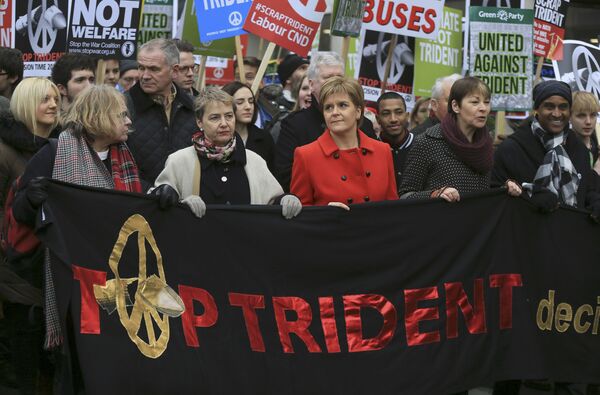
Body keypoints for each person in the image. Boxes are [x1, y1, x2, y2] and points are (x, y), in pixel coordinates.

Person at [7, 85, 141, 395]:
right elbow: (19, 211)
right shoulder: (55, 153)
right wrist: (33, 198)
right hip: (66, 276)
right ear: (99, 117)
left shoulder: (127, 158)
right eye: (121, 115)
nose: (128, 122)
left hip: (113, 281)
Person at [153, 87, 301, 219]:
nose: (224, 123)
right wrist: (180, 203)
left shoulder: (254, 161)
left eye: (229, 116)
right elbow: (158, 202)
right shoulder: (179, 160)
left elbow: (271, 201)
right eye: (215, 117)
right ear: (199, 122)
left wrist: (285, 199)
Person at [0, 78, 60, 393]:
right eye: (44, 99)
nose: (53, 104)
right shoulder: (5, 151)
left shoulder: (65, 149)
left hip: (51, 265)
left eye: (54, 98)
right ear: (25, 104)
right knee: (21, 362)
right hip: (18, 268)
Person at [400, 77, 521, 201]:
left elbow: (486, 190)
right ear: (455, 106)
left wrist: (506, 188)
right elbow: (406, 195)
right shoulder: (428, 142)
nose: (483, 108)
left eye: (487, 102)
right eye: (475, 102)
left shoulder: (486, 144)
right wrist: (435, 194)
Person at [492, 80, 600, 219]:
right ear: (536, 109)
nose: (556, 113)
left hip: (569, 235)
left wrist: (594, 200)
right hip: (527, 235)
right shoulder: (511, 149)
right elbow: (495, 194)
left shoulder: (579, 150)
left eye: (563, 107)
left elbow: (587, 189)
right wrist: (529, 196)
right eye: (549, 107)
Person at [275, 52, 378, 192]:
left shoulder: (362, 123)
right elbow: (286, 174)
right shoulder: (294, 125)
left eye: (339, 77)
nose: (335, 83)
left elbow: (375, 167)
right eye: (328, 78)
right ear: (311, 85)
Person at [290, 76, 397, 207]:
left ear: (358, 111)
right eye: (328, 107)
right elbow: (301, 214)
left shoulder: (382, 151)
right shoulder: (306, 155)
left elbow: (392, 207)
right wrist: (325, 214)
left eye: (342, 105)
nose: (334, 112)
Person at [125, 38, 197, 184]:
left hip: (184, 200)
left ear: (174, 70)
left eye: (154, 69)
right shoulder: (122, 105)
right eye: (141, 67)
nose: (144, 76)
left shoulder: (194, 107)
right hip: (139, 201)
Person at [222, 82, 275, 169]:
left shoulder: (264, 138)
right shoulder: (219, 138)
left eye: (251, 102)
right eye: (240, 102)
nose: (248, 107)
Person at [376, 92, 414, 191]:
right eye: (386, 113)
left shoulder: (422, 146)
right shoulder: (370, 150)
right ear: (378, 118)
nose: (393, 119)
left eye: (398, 112)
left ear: (407, 115)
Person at [269, 73, 311, 144]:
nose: (309, 93)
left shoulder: (330, 124)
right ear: (298, 94)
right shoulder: (282, 126)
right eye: (305, 88)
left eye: (313, 88)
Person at [570, 91, 600, 174]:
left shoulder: (596, 144)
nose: (588, 121)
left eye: (593, 115)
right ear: (570, 116)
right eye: (581, 115)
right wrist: (597, 169)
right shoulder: (564, 149)